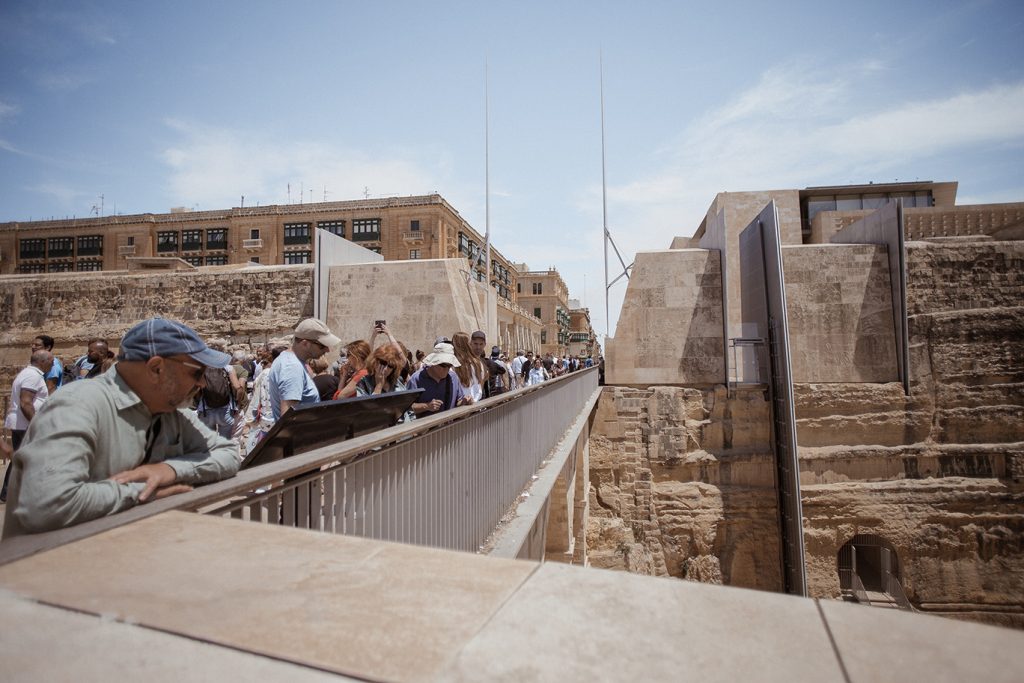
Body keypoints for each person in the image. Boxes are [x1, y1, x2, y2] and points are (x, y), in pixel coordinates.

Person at [2, 318, 240, 538]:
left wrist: (169, 470)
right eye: (197, 372)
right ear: (156, 368)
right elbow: (47, 503)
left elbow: (228, 454)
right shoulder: (78, 405)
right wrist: (143, 493)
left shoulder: (170, 413)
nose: (201, 382)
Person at [1, 350, 54, 502]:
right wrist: (36, 423)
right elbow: (26, 402)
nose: (53, 364)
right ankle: (10, 492)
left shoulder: (31, 374)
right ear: (42, 361)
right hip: (25, 424)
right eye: (51, 360)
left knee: (23, 458)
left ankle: (9, 492)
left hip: (23, 423)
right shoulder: (32, 376)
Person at [267, 318, 340, 422]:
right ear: (305, 344)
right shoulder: (292, 367)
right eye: (322, 345)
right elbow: (287, 418)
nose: (327, 349)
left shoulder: (288, 360)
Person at [406, 342, 472, 416]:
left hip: (450, 426)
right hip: (425, 426)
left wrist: (464, 401)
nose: (446, 369)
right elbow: (407, 408)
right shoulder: (416, 379)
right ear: (434, 362)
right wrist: (427, 406)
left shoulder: (453, 377)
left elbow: (458, 401)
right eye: (443, 365)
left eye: (449, 365)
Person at [453, 332, 486, 402]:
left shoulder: (452, 364)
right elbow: (480, 387)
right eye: (475, 344)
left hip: (458, 407)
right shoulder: (477, 363)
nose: (478, 347)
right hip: (474, 403)